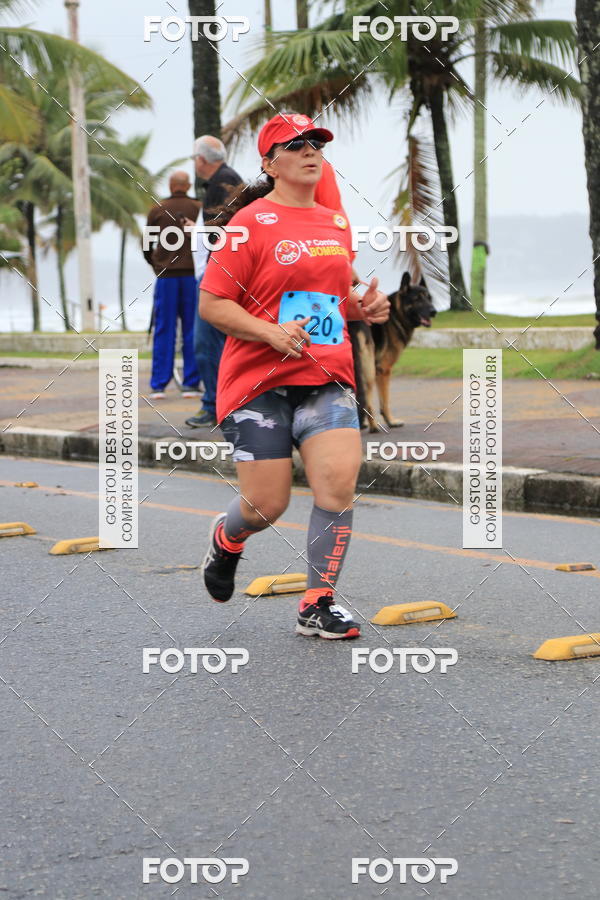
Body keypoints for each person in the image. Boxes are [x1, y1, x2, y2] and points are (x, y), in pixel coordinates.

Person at [199, 113, 390, 639]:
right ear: (270, 162)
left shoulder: (334, 224)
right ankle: (228, 538)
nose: (310, 151)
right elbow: (214, 305)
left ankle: (317, 601)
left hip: (326, 375)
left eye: (317, 143)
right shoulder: (248, 223)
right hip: (257, 384)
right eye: (296, 144)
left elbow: (337, 300)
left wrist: (367, 307)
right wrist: (270, 332)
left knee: (337, 483)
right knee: (266, 505)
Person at [186, 136, 243, 428]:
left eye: (194, 157)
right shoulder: (224, 181)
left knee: (206, 344)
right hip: (216, 272)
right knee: (217, 344)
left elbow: (223, 234)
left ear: (202, 159)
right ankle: (224, 404)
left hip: (216, 275)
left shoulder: (223, 182)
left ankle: (215, 405)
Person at [144, 171, 201, 399]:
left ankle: (159, 385)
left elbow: (147, 243)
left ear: (170, 185)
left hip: (166, 277)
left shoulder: (157, 209)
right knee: (192, 330)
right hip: (192, 277)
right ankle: (191, 383)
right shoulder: (198, 207)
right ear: (188, 186)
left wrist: (156, 264)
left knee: (164, 329)